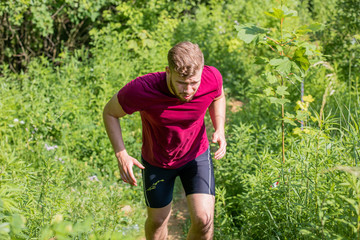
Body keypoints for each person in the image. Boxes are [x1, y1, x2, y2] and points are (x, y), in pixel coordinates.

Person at [103, 41, 226, 240]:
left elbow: (218, 96)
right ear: (168, 71)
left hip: (196, 155)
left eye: (194, 83)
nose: (188, 90)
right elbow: (110, 112)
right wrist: (121, 154)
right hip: (158, 161)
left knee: (204, 220)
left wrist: (219, 128)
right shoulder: (143, 88)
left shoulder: (211, 78)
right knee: (158, 221)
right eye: (181, 83)